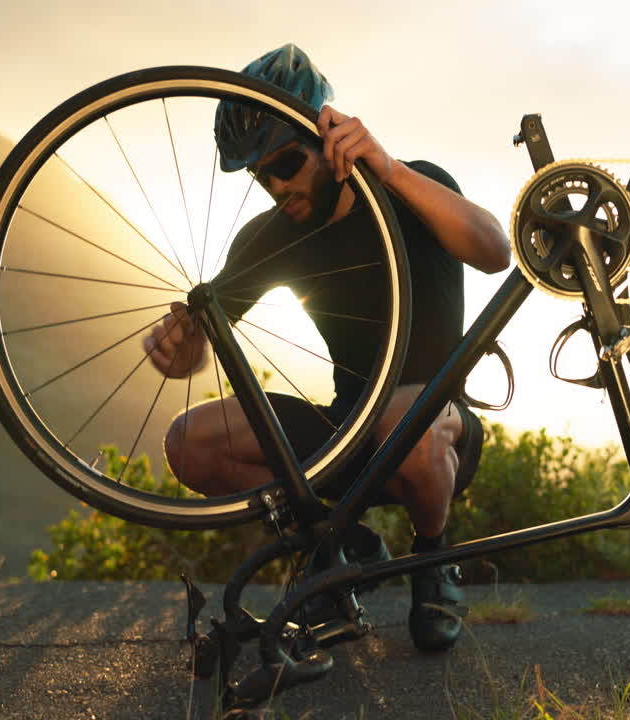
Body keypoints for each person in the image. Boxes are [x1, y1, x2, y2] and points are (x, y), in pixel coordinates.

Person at [141, 44, 511, 652]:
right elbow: (205, 342)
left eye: (286, 161)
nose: (277, 186)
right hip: (346, 430)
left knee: (403, 416)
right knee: (189, 443)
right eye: (261, 176)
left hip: (435, 427)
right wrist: (182, 348)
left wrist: (388, 168)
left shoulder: (412, 186)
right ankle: (337, 543)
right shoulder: (273, 236)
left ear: (328, 134)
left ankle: (432, 561)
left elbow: (495, 250)